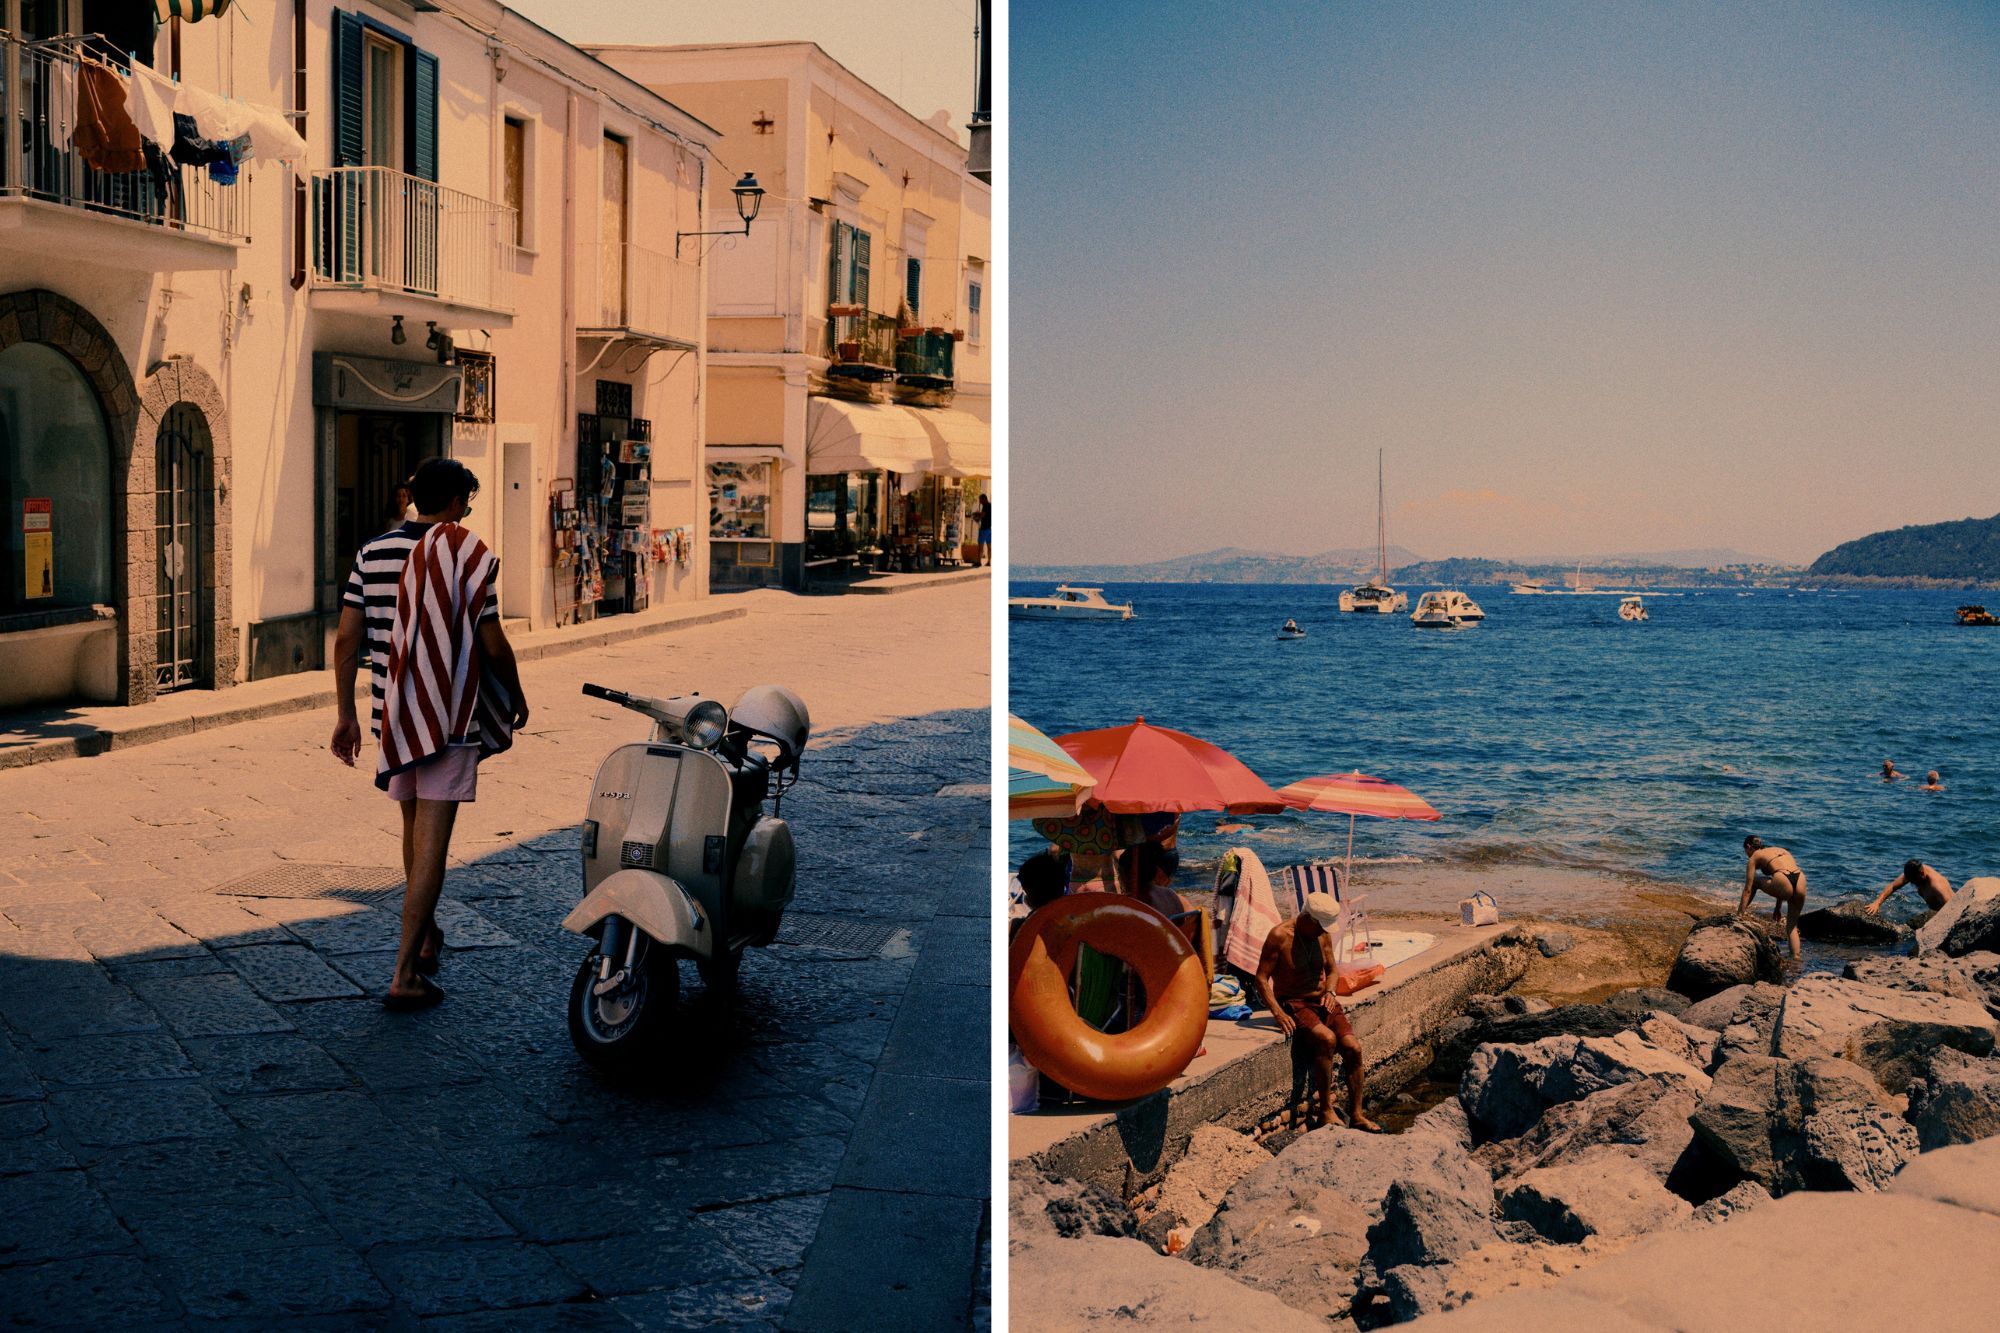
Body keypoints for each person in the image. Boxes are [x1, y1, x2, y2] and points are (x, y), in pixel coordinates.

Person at [331, 459, 529, 1011]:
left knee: (413, 829)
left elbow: (348, 639)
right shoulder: (467, 554)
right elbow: (492, 644)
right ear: (457, 500)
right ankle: (404, 974)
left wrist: (345, 713)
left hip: (391, 714)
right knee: (434, 843)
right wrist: (516, 695)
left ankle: (424, 939)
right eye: (468, 498)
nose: (468, 508)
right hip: (448, 714)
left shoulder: (371, 554)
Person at [1254, 892, 1378, 1131]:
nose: (1323, 931)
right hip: (1295, 1002)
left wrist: (1331, 992)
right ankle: (1325, 1110)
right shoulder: (1280, 936)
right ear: (1307, 918)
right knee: (1327, 1039)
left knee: (1354, 1048)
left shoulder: (1322, 936)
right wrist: (1278, 1013)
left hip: (1323, 1000)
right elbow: (1260, 978)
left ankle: (1358, 1114)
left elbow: (1332, 970)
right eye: (1320, 926)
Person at [1738, 835, 1805, 961]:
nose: (1747, 855)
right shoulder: (1779, 850)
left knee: (1755, 882)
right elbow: (1783, 878)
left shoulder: (1754, 856)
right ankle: (1796, 960)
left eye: (1745, 852)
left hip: (1783, 882)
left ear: (1748, 847)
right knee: (1792, 926)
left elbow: (1748, 889)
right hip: (1800, 879)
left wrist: (1738, 915)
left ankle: (1740, 915)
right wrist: (1777, 908)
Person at [1864, 860, 1953, 917]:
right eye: (1910, 880)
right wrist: (1877, 903)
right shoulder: (1914, 872)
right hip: (1934, 914)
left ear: (1922, 873)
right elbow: (1893, 886)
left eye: (1914, 881)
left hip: (1945, 915)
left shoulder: (1937, 886)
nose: (1912, 883)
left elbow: (1952, 908)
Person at [975, 492, 993, 568]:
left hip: (984, 529)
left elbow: (983, 515)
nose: (980, 501)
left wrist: (977, 514)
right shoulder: (991, 505)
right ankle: (989, 562)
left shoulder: (986, 506)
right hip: (990, 529)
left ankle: (979, 562)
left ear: (984, 499)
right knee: (989, 547)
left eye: (980, 500)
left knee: (980, 546)